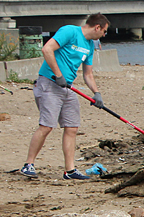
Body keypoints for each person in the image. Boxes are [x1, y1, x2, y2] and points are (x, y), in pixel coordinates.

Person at [19, 13, 110, 180]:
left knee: (72, 127)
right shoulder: (70, 31)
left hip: (68, 87)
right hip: (49, 83)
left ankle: (70, 170)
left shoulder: (89, 46)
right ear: (97, 27)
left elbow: (88, 74)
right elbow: (47, 49)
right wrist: (58, 74)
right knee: (46, 126)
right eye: (104, 31)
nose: (104, 35)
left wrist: (96, 93)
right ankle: (28, 165)